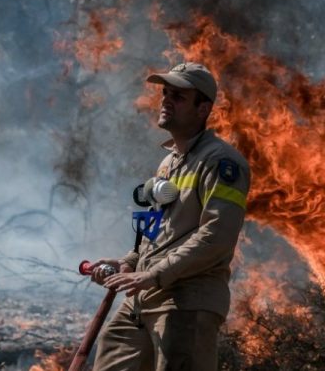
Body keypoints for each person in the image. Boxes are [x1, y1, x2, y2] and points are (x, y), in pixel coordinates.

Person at [88, 62, 251, 370]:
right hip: (143, 297)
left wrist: (152, 275)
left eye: (178, 96)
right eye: (165, 93)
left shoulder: (222, 163)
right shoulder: (168, 164)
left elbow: (216, 236)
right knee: (111, 353)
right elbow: (156, 229)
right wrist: (127, 263)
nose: (165, 100)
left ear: (203, 109)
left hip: (186, 302)